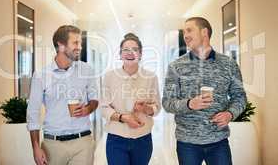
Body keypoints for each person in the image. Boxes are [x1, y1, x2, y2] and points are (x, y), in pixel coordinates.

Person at [162, 17, 247, 165]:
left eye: (189, 30)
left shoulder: (228, 64)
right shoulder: (176, 66)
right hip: (187, 143)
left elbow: (239, 97)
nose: (185, 35)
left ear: (204, 32)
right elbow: (167, 103)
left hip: (218, 142)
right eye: (184, 32)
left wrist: (230, 113)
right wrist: (189, 104)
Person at [27, 25, 98, 165]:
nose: (80, 47)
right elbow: (33, 113)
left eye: (80, 43)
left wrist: (88, 109)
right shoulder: (41, 75)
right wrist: (35, 148)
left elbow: (95, 99)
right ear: (61, 45)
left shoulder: (87, 70)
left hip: (82, 142)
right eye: (75, 43)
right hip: (52, 145)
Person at [101, 33, 161, 165]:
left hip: (142, 138)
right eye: (126, 50)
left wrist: (146, 108)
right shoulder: (109, 77)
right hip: (116, 138)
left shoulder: (151, 77)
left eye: (134, 49)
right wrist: (124, 118)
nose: (130, 53)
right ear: (120, 54)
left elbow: (157, 108)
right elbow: (103, 108)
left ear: (140, 54)